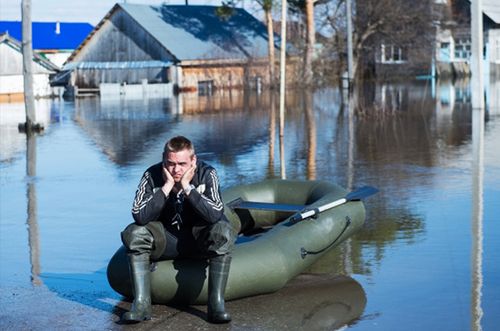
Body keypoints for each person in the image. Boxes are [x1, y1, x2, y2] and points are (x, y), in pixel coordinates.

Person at [120, 136, 236, 324]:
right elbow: (139, 215)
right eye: (170, 163)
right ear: (163, 159)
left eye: (182, 163)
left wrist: (187, 188)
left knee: (222, 231)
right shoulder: (152, 174)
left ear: (193, 161)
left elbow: (215, 214)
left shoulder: (208, 173)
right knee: (134, 233)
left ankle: (216, 305)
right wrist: (166, 187)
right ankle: (141, 305)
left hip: (199, 239)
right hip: (167, 238)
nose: (176, 169)